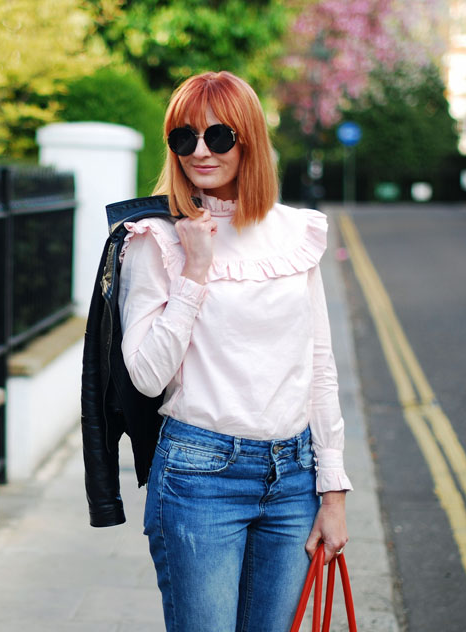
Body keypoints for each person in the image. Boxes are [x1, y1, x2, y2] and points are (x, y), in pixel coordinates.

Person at [115, 71, 352, 631]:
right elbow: (146, 376)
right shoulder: (155, 240)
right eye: (184, 137)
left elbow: (318, 366)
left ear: (249, 140)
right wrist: (194, 271)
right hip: (199, 477)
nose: (200, 151)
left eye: (218, 136)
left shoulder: (295, 233)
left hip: (294, 479)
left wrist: (333, 492)